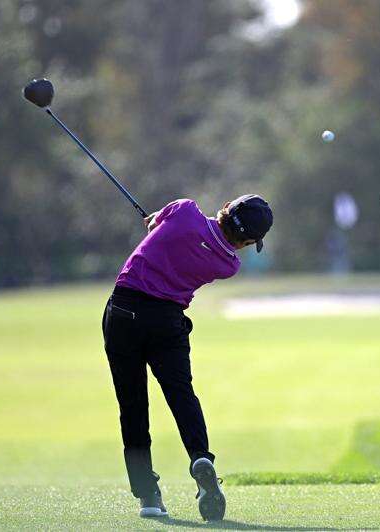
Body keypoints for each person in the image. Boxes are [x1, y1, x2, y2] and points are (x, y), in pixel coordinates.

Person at [102, 194, 273, 520]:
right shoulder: (228, 265)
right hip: (166, 322)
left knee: (133, 406)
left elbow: (156, 225)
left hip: (123, 311)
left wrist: (158, 222)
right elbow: (183, 238)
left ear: (225, 207)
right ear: (248, 241)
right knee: (182, 396)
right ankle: (199, 456)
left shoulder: (185, 210)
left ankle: (148, 496)